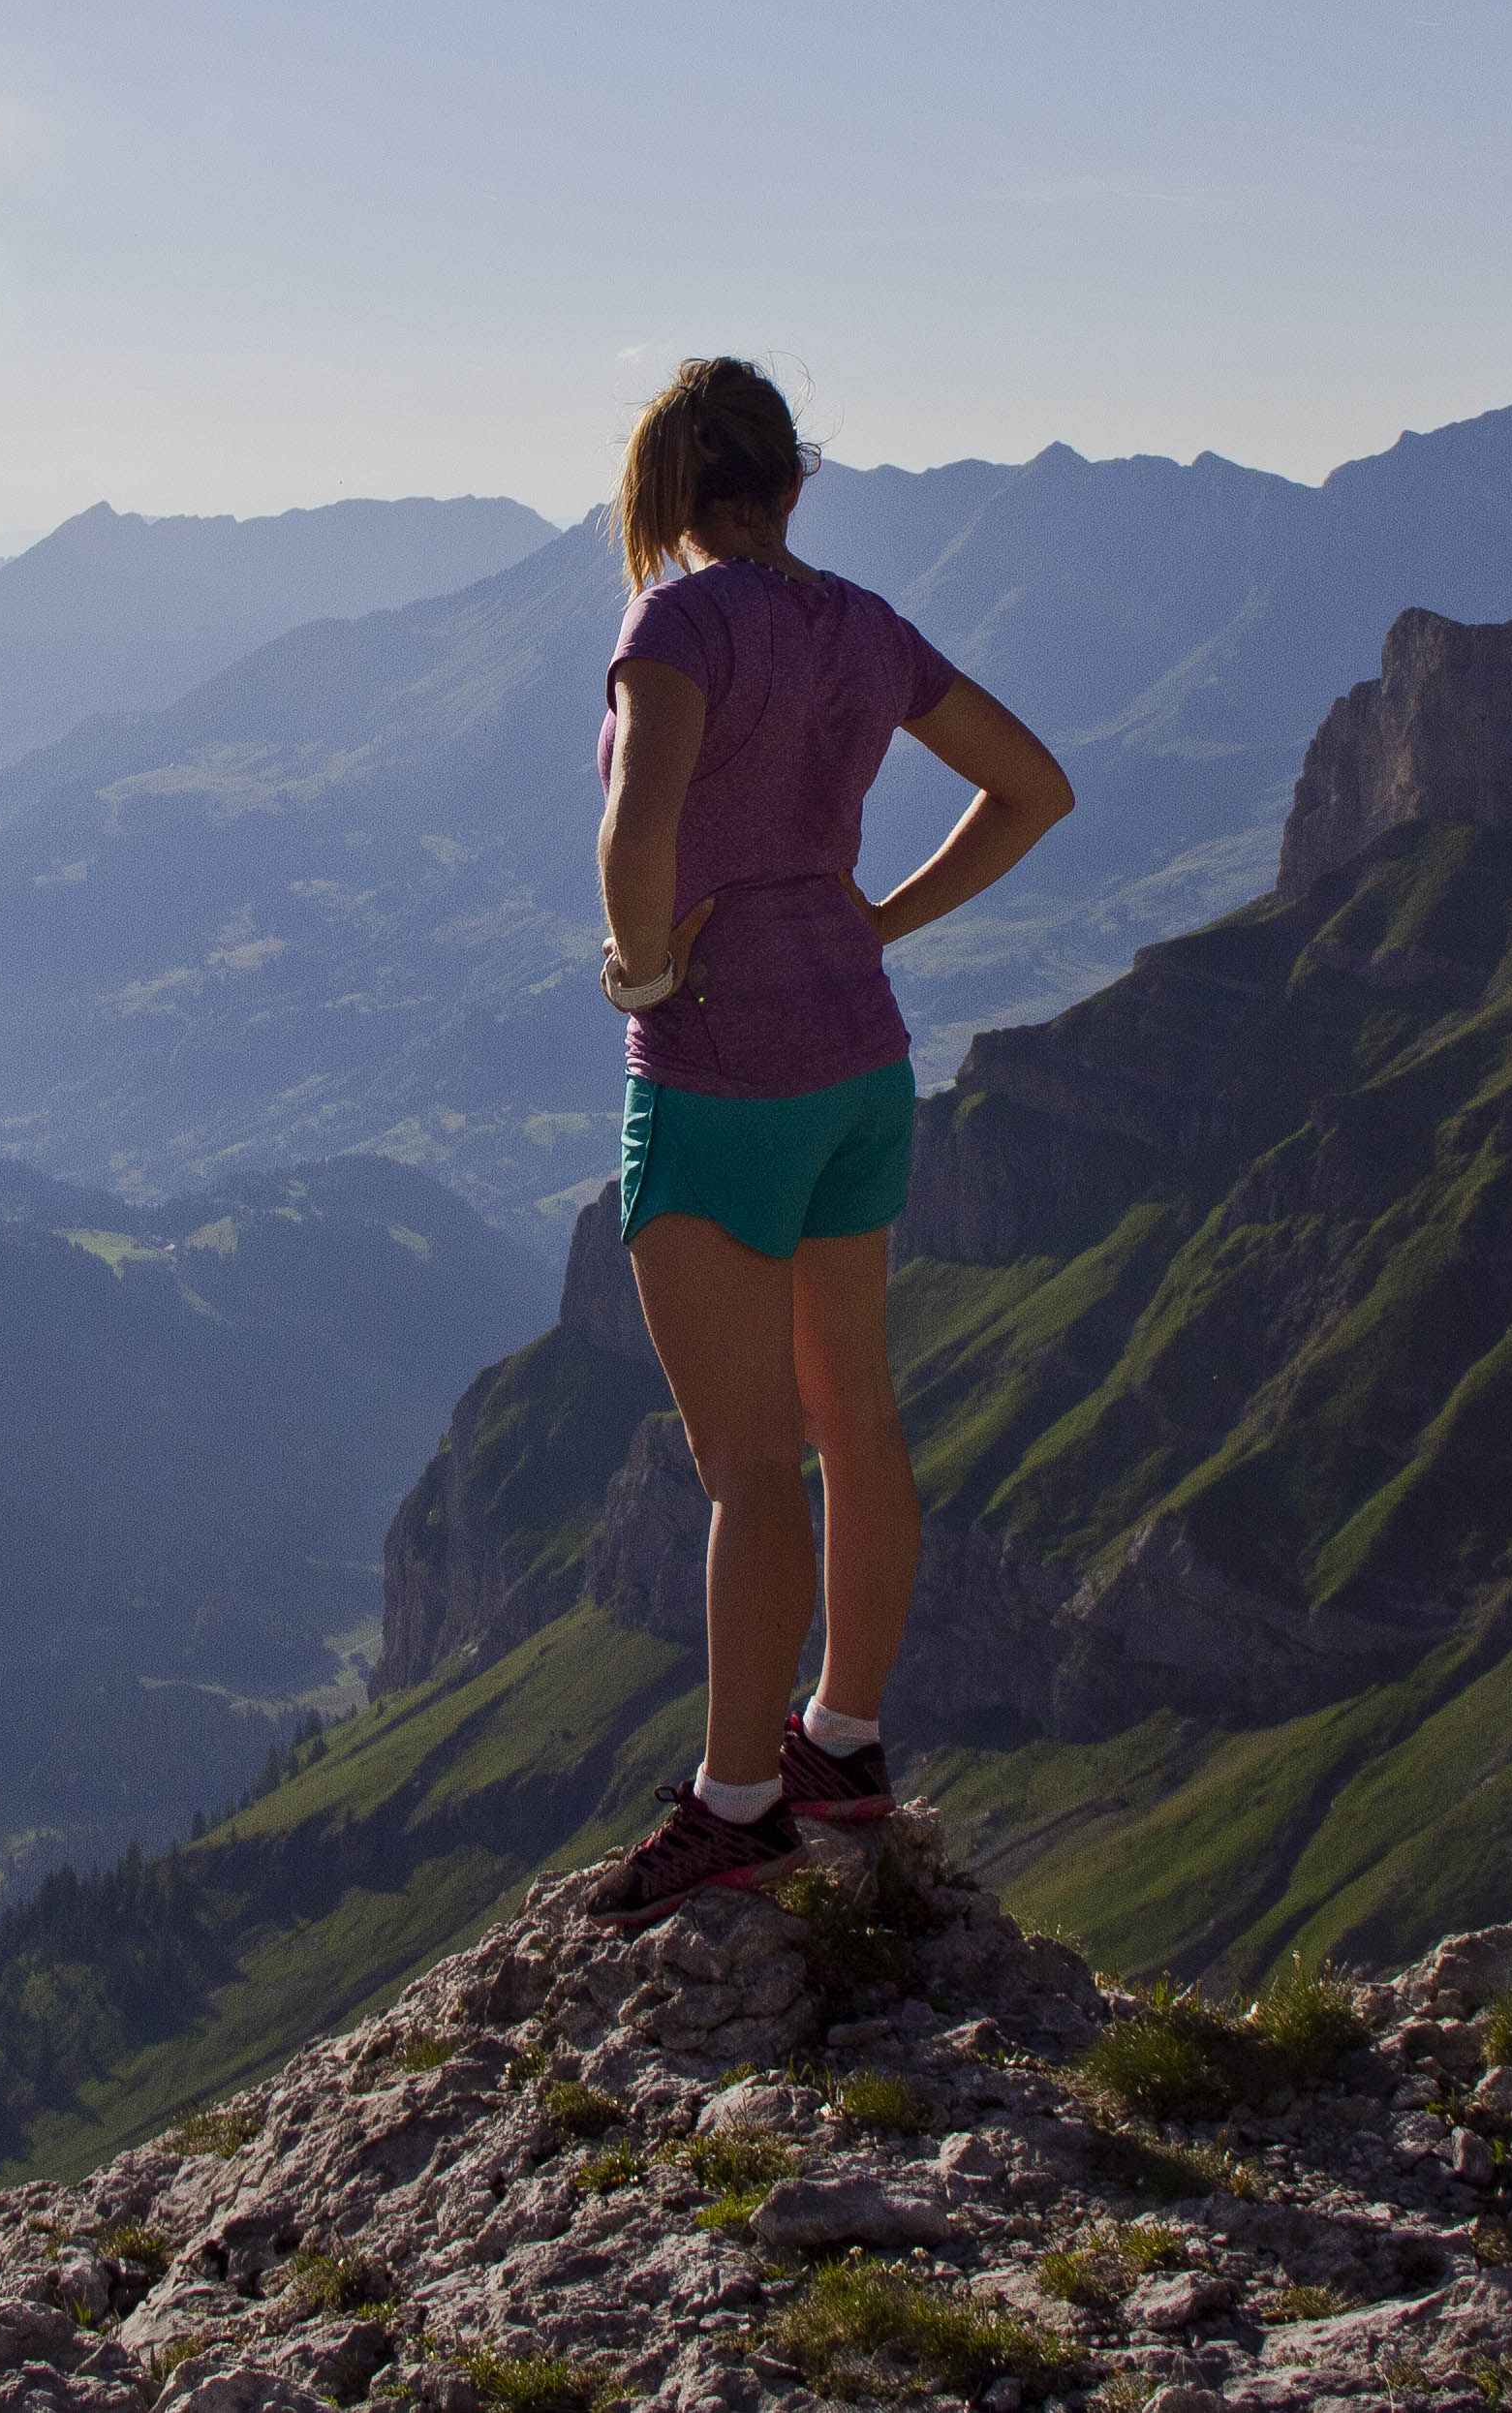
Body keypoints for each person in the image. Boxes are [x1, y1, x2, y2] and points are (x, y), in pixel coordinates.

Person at [583, 357, 1074, 1928]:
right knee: (853, 1415)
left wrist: (641, 969)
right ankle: (842, 1741)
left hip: (722, 1067)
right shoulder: (864, 626)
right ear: (793, 476)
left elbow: (637, 822)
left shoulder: (677, 624)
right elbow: (1033, 788)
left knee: (742, 1465)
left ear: (666, 489)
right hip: (862, 1057)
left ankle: (735, 1804)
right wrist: (875, 917)